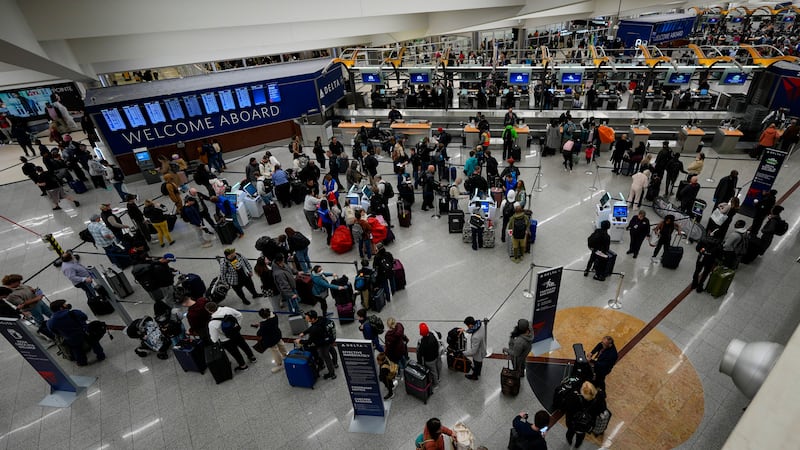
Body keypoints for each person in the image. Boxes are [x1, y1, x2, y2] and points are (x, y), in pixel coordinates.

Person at [47, 300, 105, 366]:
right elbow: (84, 317)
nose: (67, 305)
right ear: (61, 308)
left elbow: (53, 331)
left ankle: (82, 362)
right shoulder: (73, 313)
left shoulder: (51, 322)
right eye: (65, 304)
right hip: (84, 332)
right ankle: (101, 355)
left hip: (70, 337)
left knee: (77, 349)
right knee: (94, 343)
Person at [207, 301, 255, 372]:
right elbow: (239, 315)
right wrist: (237, 326)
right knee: (244, 345)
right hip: (236, 333)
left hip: (226, 340)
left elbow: (214, 339)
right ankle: (252, 357)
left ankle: (243, 366)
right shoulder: (226, 309)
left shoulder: (212, 323)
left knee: (235, 353)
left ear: (209, 310)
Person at [296, 310, 337, 380]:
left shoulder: (315, 330)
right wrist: (304, 332)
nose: (306, 318)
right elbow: (312, 327)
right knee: (332, 349)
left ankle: (332, 373)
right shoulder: (320, 318)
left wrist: (300, 341)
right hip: (329, 339)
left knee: (326, 357)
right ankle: (335, 363)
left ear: (313, 319)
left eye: (307, 318)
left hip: (322, 344)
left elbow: (309, 342)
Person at [563, 381, 607, 448]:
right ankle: (577, 445)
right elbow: (602, 410)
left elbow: (566, 406)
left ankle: (569, 441)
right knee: (580, 436)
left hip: (572, 422)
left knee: (570, 432)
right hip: (585, 425)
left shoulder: (574, 397)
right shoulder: (599, 399)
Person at [252, 308, 288, 373]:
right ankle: (285, 355)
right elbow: (269, 321)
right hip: (277, 335)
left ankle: (279, 364)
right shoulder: (275, 316)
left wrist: (261, 325)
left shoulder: (264, 325)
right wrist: (261, 323)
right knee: (281, 344)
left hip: (271, 340)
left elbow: (259, 333)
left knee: (275, 351)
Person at [417, 323, 441, 388]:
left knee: (433, 372)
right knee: (437, 367)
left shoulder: (423, 343)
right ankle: (439, 378)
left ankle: (436, 384)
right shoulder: (432, 335)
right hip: (436, 356)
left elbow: (421, 353)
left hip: (429, 360)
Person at [462, 316, 486, 380]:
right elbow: (473, 329)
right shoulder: (480, 325)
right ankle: (478, 372)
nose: (467, 327)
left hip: (478, 353)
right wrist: (464, 330)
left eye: (467, 326)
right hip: (482, 347)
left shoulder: (476, 337)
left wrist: (463, 353)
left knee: (477, 363)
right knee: (479, 363)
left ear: (470, 325)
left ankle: (475, 376)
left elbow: (473, 351)